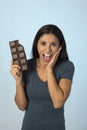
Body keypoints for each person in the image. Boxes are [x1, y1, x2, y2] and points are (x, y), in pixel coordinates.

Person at [10, 24, 75, 130]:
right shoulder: (27, 66)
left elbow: (58, 102)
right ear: (37, 45)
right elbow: (21, 106)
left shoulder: (66, 67)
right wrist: (18, 81)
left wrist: (49, 69)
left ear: (60, 47)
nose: (47, 49)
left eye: (53, 44)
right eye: (43, 43)